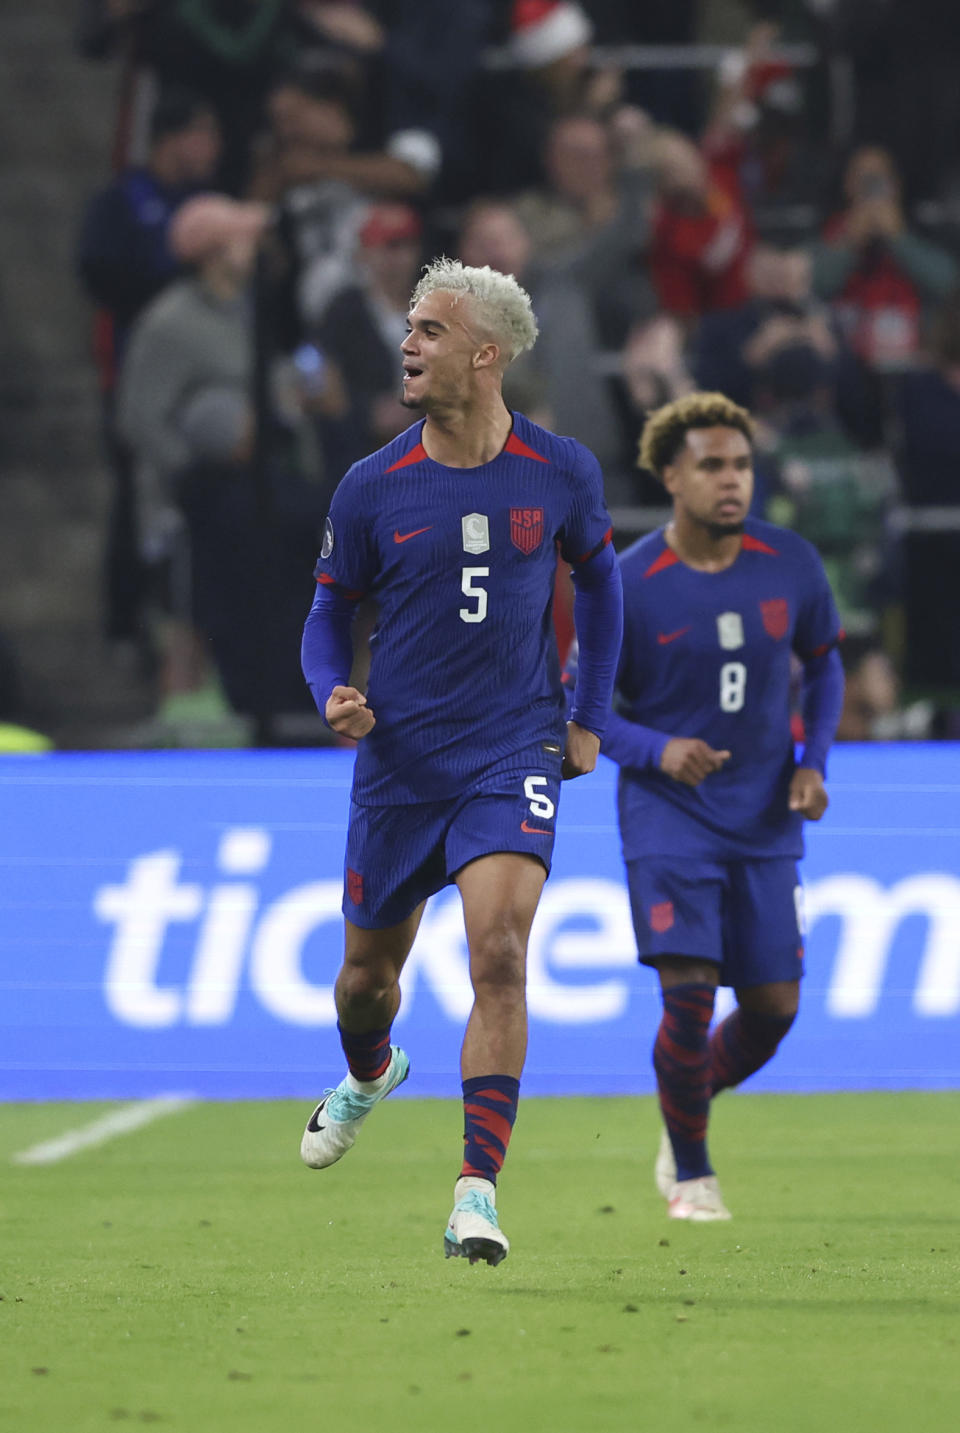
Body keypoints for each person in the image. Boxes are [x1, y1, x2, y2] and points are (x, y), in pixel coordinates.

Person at [299, 257, 623, 1265]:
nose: (409, 343)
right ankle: (371, 1070)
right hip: (400, 759)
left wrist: (587, 715)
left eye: (430, 329)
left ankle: (474, 1190)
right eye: (410, 326)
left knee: (499, 953)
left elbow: (602, 587)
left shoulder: (561, 467)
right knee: (363, 981)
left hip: (511, 745)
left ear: (485, 354)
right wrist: (331, 692)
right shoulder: (371, 485)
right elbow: (326, 614)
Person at [566, 391, 844, 1221]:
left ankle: (682, 1103)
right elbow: (583, 705)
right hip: (668, 814)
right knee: (689, 992)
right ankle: (692, 1172)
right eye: (712, 466)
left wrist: (813, 762)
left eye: (743, 465)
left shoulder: (789, 561)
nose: (733, 481)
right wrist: (659, 749)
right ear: (670, 477)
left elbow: (825, 664)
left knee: (773, 1010)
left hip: (764, 815)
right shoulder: (625, 582)